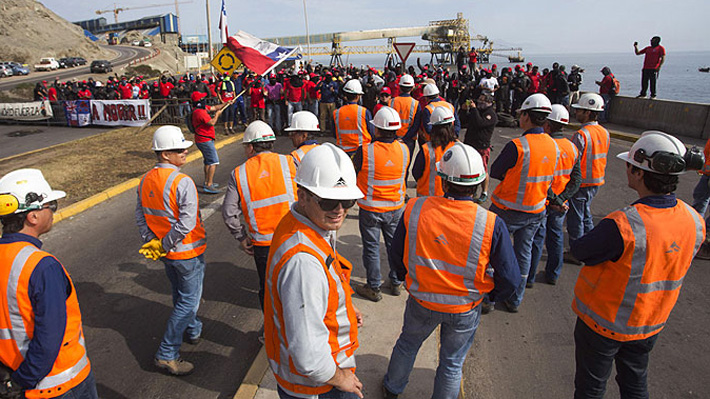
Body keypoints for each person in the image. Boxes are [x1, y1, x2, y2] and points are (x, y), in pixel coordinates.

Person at [570, 131, 705, 399]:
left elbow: (581, 251)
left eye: (630, 165)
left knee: (591, 388)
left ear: (640, 172)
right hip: (650, 323)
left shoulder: (623, 224)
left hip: (603, 324)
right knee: (635, 384)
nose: (627, 170)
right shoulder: (694, 219)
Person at [383, 142, 519, 399]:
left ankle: (392, 388)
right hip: (464, 308)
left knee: (408, 344)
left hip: (422, 299)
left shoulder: (415, 208)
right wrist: (490, 296)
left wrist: (403, 277)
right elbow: (510, 278)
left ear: (443, 182)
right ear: (479, 184)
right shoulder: (490, 223)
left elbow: (396, 253)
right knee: (452, 363)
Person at [264, 143, 365, 399]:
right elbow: (308, 353)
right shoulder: (302, 262)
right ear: (303, 196)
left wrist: (347, 311)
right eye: (329, 201)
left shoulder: (307, 223)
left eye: (347, 201)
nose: (339, 210)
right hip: (317, 387)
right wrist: (340, 377)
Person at [0, 169, 98, 399]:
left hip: (12, 374)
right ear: (32, 216)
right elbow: (49, 336)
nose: (53, 212)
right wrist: (22, 381)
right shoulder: (42, 266)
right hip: (60, 382)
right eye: (50, 205)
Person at [135, 126, 207, 376]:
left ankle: (193, 328)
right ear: (165, 154)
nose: (185, 151)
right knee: (187, 301)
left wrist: (153, 242)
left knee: (180, 295)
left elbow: (140, 214)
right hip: (188, 253)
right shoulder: (182, 181)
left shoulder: (145, 179)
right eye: (179, 149)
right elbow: (186, 223)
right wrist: (164, 243)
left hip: (167, 254)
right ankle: (167, 353)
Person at [489, 93, 559, 313]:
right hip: (536, 209)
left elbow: (496, 171)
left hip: (507, 208)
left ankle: (489, 298)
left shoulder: (518, 145)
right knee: (523, 254)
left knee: (492, 254)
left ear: (527, 117)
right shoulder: (553, 145)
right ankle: (515, 299)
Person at [222, 121, 297, 310]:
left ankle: (270, 334)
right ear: (271, 142)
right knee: (295, 287)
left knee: (269, 289)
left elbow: (229, 213)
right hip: (293, 237)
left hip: (263, 244)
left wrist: (241, 236)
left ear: (250, 147)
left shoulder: (239, 173)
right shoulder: (289, 162)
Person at [352, 106, 410, 302]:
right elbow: (405, 174)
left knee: (372, 248)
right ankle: (396, 282)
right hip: (395, 207)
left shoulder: (366, 150)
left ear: (376, 129)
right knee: (395, 246)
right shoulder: (404, 149)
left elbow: (355, 172)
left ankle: (374, 287)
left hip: (371, 208)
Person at [528, 105, 581, 286]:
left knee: (537, 239)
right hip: (560, 203)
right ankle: (553, 274)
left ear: (548, 126)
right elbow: (576, 179)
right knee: (556, 237)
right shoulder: (572, 148)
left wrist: (554, 199)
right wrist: (562, 198)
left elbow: (542, 179)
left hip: (544, 199)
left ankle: (529, 277)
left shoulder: (545, 147)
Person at [564, 93, 610, 265]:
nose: (577, 114)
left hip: (581, 181)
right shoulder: (604, 132)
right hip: (596, 179)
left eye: (580, 111)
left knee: (576, 217)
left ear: (589, 113)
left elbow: (573, 160)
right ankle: (592, 246)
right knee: (585, 214)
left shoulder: (581, 135)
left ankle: (577, 251)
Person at [190, 91, 233, 194]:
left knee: (208, 162)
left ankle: (207, 181)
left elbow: (214, 107)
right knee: (213, 162)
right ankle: (209, 185)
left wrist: (226, 103)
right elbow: (212, 122)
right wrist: (217, 115)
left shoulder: (201, 109)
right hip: (204, 140)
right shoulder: (199, 112)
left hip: (203, 139)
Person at [412, 106, 459, 197]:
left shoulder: (426, 149)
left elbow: (416, 173)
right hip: (449, 199)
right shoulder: (457, 148)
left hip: (426, 198)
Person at [463, 92, 497, 203]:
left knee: (483, 170)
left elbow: (479, 123)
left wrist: (473, 109)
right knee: (470, 168)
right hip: (470, 144)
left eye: (482, 101)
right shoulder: (476, 112)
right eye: (479, 100)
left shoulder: (490, 114)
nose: (479, 103)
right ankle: (472, 190)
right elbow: (464, 121)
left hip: (481, 146)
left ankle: (484, 192)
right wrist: (464, 110)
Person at [388, 74, 422, 179]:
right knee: (405, 166)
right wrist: (405, 138)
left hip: (392, 139)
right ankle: (403, 187)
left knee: (392, 165)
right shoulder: (416, 104)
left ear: (399, 86)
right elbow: (416, 125)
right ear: (412, 88)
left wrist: (395, 137)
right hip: (408, 140)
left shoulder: (391, 102)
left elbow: (388, 120)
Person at [333, 79, 373, 156]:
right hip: (362, 150)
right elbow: (371, 132)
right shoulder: (364, 112)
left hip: (343, 151)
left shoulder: (336, 112)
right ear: (358, 96)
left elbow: (335, 133)